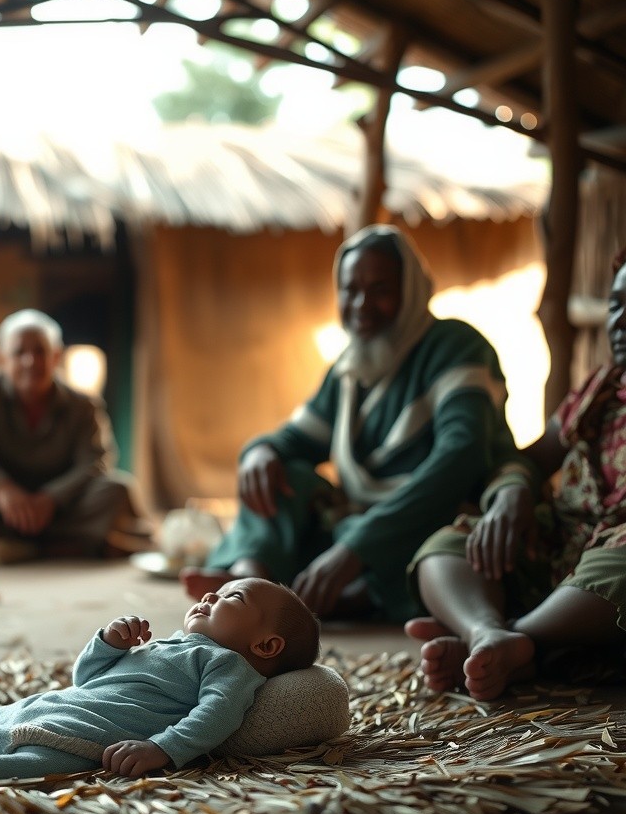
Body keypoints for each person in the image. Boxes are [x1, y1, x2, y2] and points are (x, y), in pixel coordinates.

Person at [181, 224, 519, 623]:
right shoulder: (349, 369)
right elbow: (295, 441)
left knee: (443, 545)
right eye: (350, 289)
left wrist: (358, 548)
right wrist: (261, 451)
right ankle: (251, 580)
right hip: (359, 522)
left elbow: (462, 457)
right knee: (285, 474)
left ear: (410, 290)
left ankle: (352, 593)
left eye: (380, 290)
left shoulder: (454, 345)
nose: (361, 304)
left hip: (427, 516)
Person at [0, 576, 320, 787]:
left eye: (231, 598)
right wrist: (109, 642)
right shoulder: (171, 644)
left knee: (39, 762)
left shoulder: (228, 668)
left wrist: (163, 749)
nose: (211, 594)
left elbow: (216, 715)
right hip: (70, 701)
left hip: (98, 732)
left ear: (266, 646)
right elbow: (87, 676)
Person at [405, 246, 626, 700]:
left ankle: (514, 638)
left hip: (609, 577)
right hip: (560, 552)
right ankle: (489, 634)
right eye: (617, 304)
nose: (620, 322)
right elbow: (529, 459)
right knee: (449, 545)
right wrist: (511, 493)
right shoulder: (600, 388)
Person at [0, 308, 150, 564]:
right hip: (0, 512)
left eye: (40, 351)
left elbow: (96, 461)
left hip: (60, 512)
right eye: (19, 353)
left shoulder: (82, 405)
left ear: (56, 357)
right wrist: (0, 488)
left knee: (117, 488)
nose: (30, 361)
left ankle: (26, 546)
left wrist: (51, 498)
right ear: (1, 359)